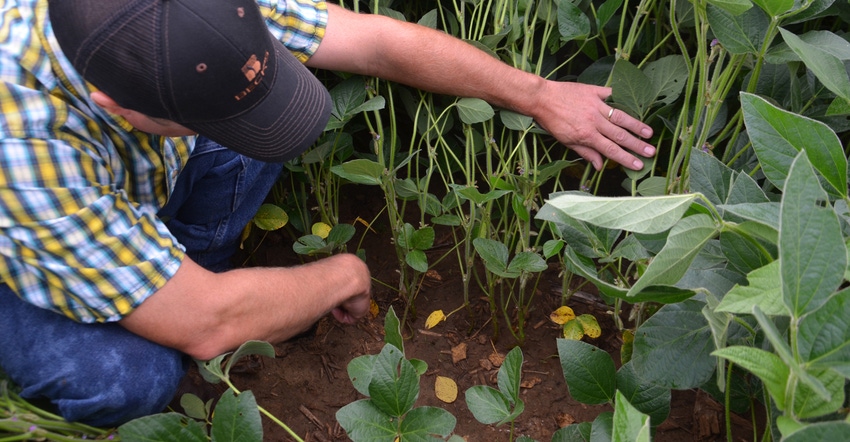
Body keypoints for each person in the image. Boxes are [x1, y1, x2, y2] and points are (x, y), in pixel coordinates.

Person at [0, 0, 655, 427]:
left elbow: (374, 42)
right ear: (112, 103)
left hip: (115, 193)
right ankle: (181, 290)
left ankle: (190, 269)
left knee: (253, 115)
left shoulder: (183, 17)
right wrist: (340, 275)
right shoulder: (23, 141)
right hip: (19, 254)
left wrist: (537, 94)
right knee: (129, 379)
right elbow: (206, 323)